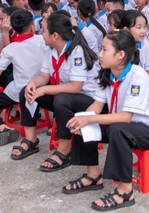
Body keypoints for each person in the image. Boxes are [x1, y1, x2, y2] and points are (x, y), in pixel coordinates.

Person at [63, 30, 149, 211]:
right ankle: (93, 175)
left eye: (105, 50)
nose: (99, 54)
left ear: (121, 55)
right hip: (123, 125)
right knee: (82, 121)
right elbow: (97, 106)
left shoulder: (137, 76)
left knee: (117, 129)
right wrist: (83, 119)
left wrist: (91, 119)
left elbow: (125, 117)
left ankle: (125, 190)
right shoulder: (108, 73)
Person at [12, 11, 100, 169]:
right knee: (26, 92)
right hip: (65, 98)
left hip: (88, 101)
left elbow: (76, 86)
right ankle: (31, 140)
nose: (41, 34)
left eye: (43, 31)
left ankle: (64, 151)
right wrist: (33, 83)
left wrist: (45, 89)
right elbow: (44, 76)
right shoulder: (50, 50)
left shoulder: (77, 52)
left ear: (55, 36)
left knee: (62, 98)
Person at [0, 9, 45, 147]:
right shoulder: (42, 40)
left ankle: (4, 128)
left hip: (18, 91)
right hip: (42, 88)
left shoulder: (11, 48)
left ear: (12, 28)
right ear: (33, 26)